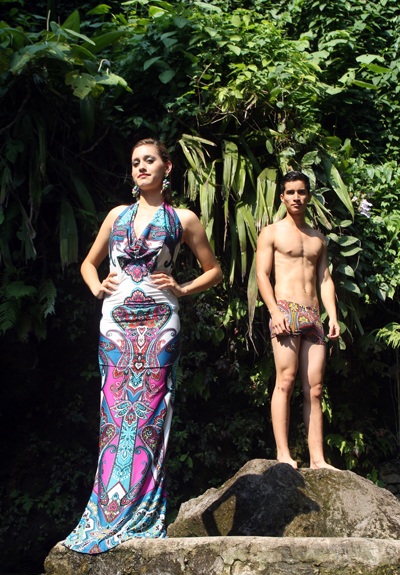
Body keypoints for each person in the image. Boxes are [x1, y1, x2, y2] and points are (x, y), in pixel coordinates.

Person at [63, 139, 222, 553]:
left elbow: (214, 270)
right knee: (113, 416)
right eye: (135, 162)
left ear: (167, 166)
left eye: (149, 160)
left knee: (152, 414)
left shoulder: (183, 219)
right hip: (115, 324)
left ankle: (143, 512)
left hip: (160, 325)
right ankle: (107, 512)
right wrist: (97, 286)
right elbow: (88, 263)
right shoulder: (117, 215)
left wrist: (182, 287)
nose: (141, 167)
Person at [256, 171, 340, 470]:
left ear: (308, 196)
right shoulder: (272, 232)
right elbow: (262, 275)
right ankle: (283, 454)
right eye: (290, 192)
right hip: (286, 310)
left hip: (313, 315)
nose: (296, 197)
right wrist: (274, 312)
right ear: (282, 197)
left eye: (301, 192)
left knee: (315, 388)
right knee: (286, 381)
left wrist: (332, 315)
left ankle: (317, 460)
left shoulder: (318, 238)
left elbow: (325, 279)